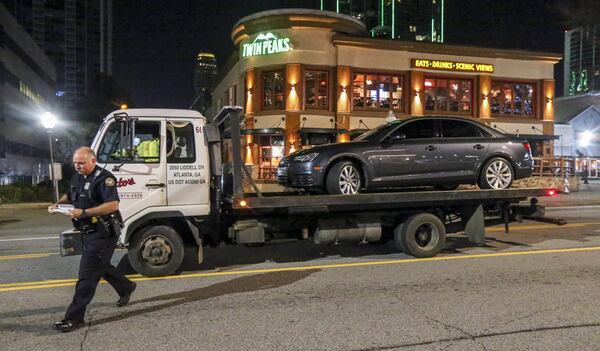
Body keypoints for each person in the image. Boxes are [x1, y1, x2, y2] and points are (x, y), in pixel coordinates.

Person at [49, 147, 136, 332]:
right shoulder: (78, 176)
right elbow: (71, 194)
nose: (77, 166)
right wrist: (58, 204)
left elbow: (113, 205)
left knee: (87, 275)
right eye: (75, 163)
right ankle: (126, 286)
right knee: (101, 266)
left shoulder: (104, 178)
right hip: (87, 231)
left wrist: (85, 212)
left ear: (93, 161)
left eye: (81, 163)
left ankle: (74, 318)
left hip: (103, 232)